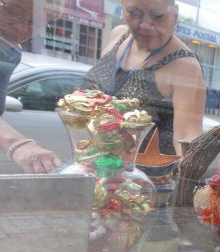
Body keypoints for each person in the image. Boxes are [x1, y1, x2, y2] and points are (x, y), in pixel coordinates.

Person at [84, 0, 205, 156]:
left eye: (157, 16)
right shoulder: (118, 35)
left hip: (145, 176)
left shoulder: (185, 67)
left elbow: (188, 138)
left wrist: (188, 177)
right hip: (97, 163)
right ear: (123, 8)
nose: (145, 25)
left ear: (174, 15)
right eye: (134, 13)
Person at [0, 0, 62, 173]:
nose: (21, 28)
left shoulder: (10, 53)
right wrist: (18, 144)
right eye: (12, 11)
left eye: (35, 23)